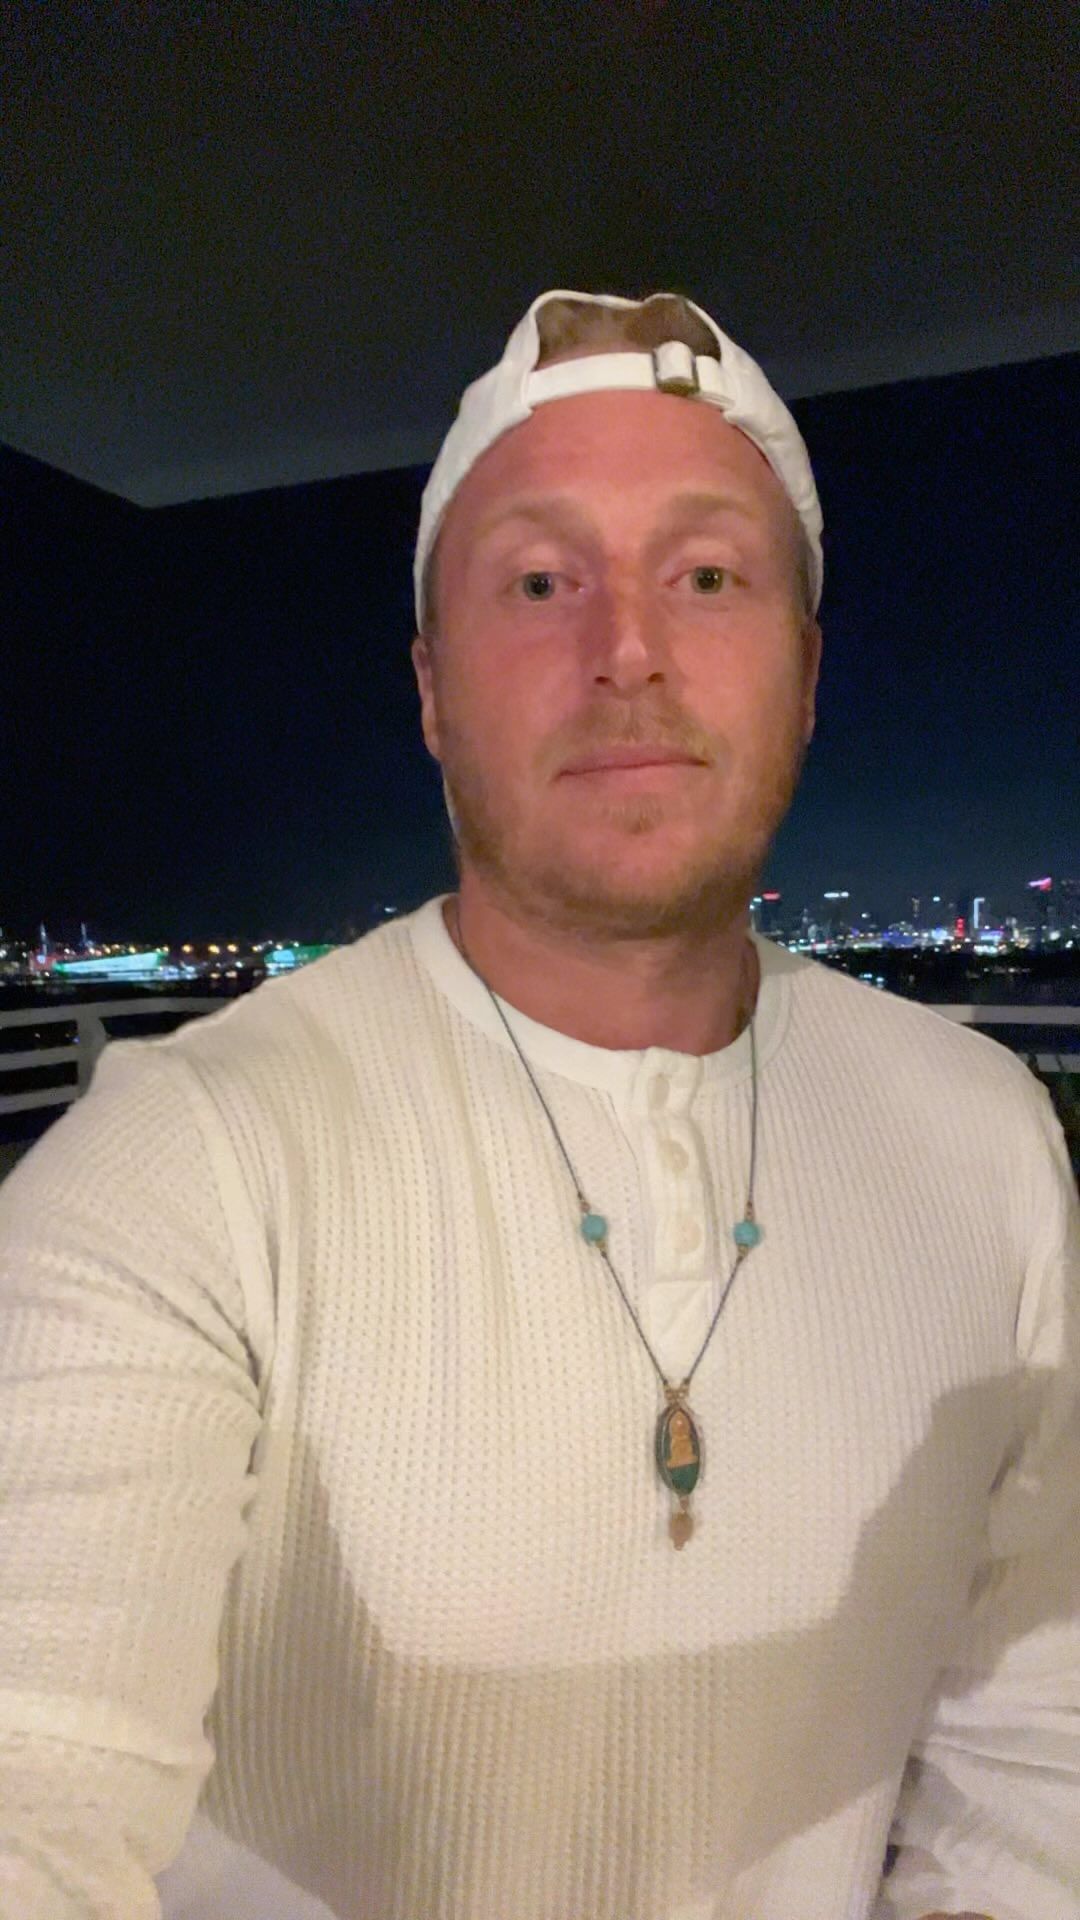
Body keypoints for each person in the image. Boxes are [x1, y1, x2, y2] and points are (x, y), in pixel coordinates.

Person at [0, 288, 1076, 1920]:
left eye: (706, 577)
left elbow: (1034, 1743)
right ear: (434, 690)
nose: (626, 647)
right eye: (539, 581)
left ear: (804, 673)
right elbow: (37, 1764)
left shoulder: (984, 1137)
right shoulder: (185, 1164)